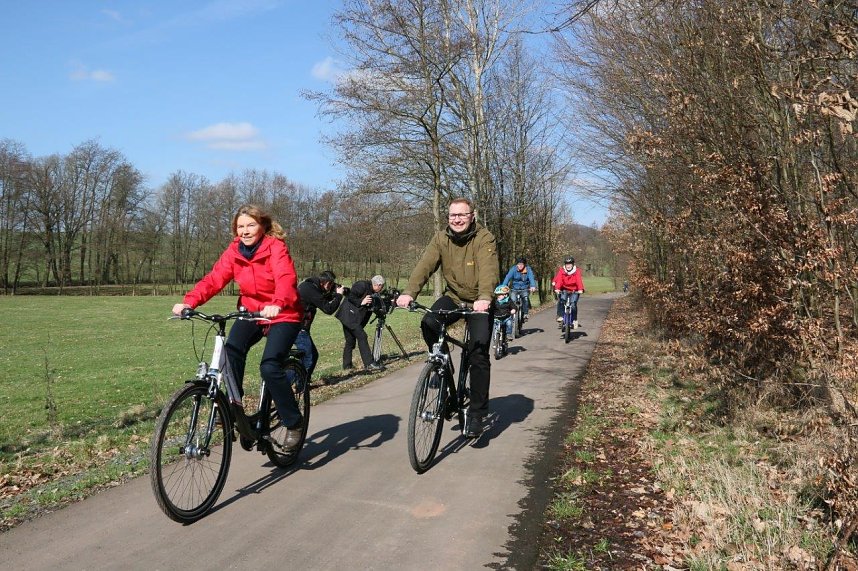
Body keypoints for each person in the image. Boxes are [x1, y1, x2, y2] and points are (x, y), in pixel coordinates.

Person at [171, 204, 305, 449]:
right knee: (230, 352)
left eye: (250, 225)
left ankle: (293, 422)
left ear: (263, 226)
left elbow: (286, 278)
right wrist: (189, 302)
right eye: (240, 226)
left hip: (283, 312)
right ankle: (236, 411)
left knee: (270, 366)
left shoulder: (276, 248)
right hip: (251, 311)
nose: (245, 231)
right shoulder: (234, 252)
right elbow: (214, 280)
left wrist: (277, 303)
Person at [396, 197, 498, 437]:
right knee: (429, 321)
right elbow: (424, 265)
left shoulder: (484, 238)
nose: (457, 219)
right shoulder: (441, 238)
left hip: (478, 302)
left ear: (472, 216)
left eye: (462, 215)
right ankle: (442, 361)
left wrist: (484, 297)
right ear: (448, 217)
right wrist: (409, 293)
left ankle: (476, 413)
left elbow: (489, 270)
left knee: (478, 352)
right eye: (453, 215)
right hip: (453, 297)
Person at [295, 270, 345, 385]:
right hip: (297, 328)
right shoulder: (310, 289)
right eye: (331, 285)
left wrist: (333, 294)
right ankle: (285, 384)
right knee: (309, 357)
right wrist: (338, 295)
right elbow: (328, 309)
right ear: (326, 283)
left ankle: (303, 383)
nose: (331, 287)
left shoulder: (312, 286)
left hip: (300, 327)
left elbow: (322, 299)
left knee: (313, 355)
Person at [337, 274, 385, 372]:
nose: (381, 289)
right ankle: (369, 363)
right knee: (362, 336)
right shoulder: (362, 285)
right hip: (349, 316)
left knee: (350, 341)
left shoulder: (372, 292)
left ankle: (347, 366)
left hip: (349, 317)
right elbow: (350, 295)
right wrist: (361, 302)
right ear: (378, 285)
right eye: (382, 287)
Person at [551, 256, 585, 328]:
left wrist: (580, 289)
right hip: (564, 289)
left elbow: (579, 281)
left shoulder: (577, 271)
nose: (568, 266)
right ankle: (560, 316)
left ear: (572, 265)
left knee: (573, 305)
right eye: (567, 264)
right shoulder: (562, 271)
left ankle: (574, 320)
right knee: (562, 301)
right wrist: (557, 288)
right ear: (565, 265)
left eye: (570, 264)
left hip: (574, 290)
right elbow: (559, 280)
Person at [502, 256, 537, 321]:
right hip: (514, 289)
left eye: (522, 264)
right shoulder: (513, 269)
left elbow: (531, 278)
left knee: (525, 299)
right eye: (518, 264)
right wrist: (504, 286)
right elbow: (507, 277)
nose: (520, 266)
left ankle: (525, 314)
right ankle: (512, 314)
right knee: (512, 300)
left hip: (524, 288)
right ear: (516, 264)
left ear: (524, 264)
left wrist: (533, 286)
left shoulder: (528, 269)